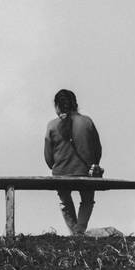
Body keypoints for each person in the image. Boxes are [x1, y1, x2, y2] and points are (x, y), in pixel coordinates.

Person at [44, 89, 102, 235]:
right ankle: (80, 230)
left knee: (65, 201)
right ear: (75, 104)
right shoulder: (87, 122)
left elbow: (48, 158)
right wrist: (92, 164)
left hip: (60, 174)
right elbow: (97, 150)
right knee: (87, 200)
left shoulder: (51, 126)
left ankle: (75, 232)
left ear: (57, 106)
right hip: (85, 173)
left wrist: (59, 166)